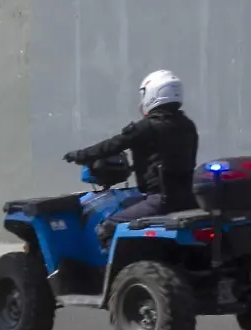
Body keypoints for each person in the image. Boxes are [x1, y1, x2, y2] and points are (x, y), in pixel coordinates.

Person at [64, 69, 198, 245]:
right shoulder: (188, 126)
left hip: (160, 200)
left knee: (107, 227)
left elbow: (112, 145)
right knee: (127, 204)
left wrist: (80, 155)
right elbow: (168, 159)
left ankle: (114, 271)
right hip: (190, 198)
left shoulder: (147, 127)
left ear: (153, 93)